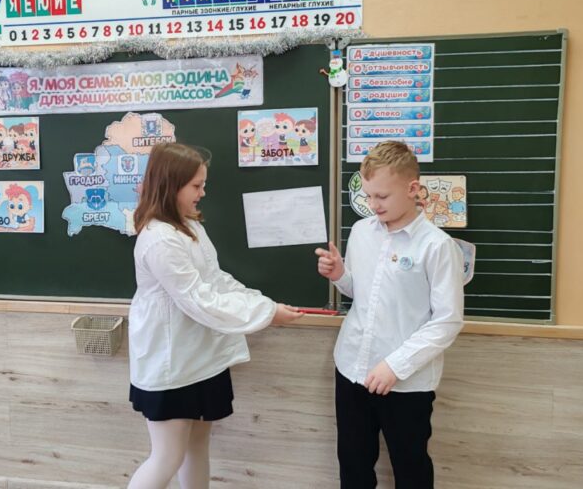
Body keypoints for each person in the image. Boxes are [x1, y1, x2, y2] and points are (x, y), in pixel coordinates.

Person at [128, 142, 302, 489]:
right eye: (196, 185)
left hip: (201, 359)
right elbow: (199, 299)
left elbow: (214, 279)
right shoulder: (160, 239)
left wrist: (260, 302)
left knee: (196, 448)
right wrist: (267, 313)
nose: (203, 193)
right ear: (171, 185)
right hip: (172, 365)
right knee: (167, 457)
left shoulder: (188, 225)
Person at [315, 141, 464, 489]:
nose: (373, 205)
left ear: (412, 189)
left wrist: (395, 366)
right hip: (352, 367)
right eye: (369, 196)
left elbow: (447, 321)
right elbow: (362, 293)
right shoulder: (361, 232)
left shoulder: (438, 246)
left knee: (410, 469)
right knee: (353, 464)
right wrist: (340, 275)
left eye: (382, 196)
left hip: (406, 381)